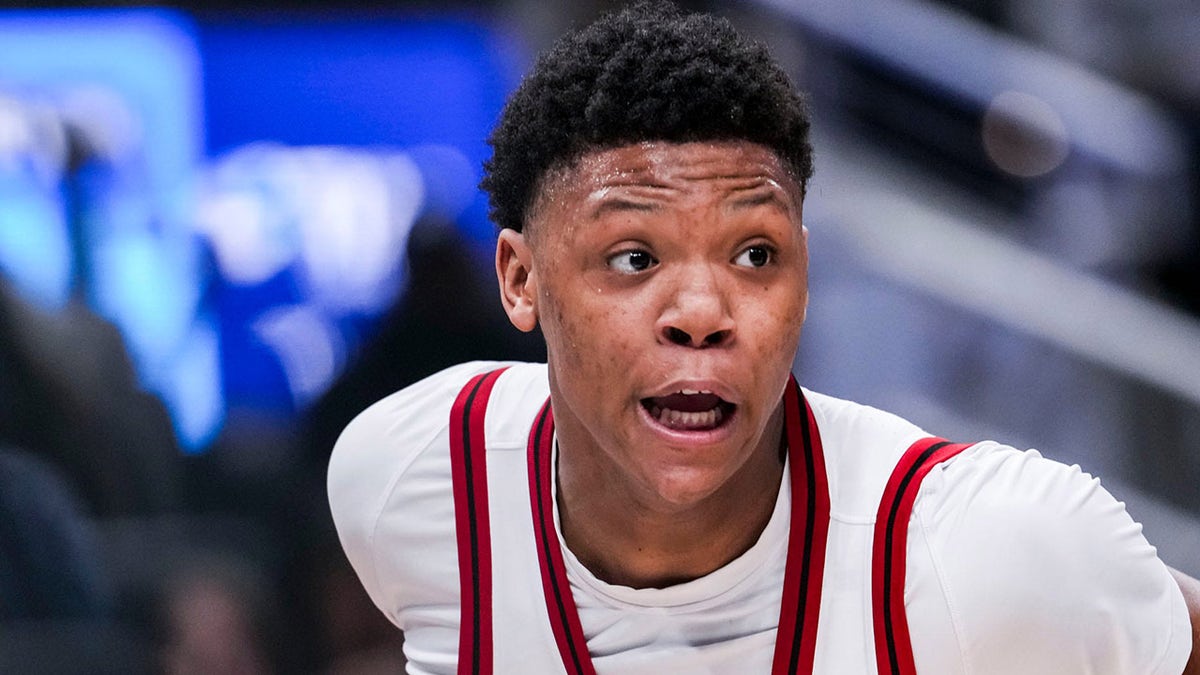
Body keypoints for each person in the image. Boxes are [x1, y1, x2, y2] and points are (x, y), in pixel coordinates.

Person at [328, 2, 1198, 672]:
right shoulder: (412, 476)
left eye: (755, 254)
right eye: (634, 257)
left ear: (805, 277)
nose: (702, 311)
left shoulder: (989, 548)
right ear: (521, 280)